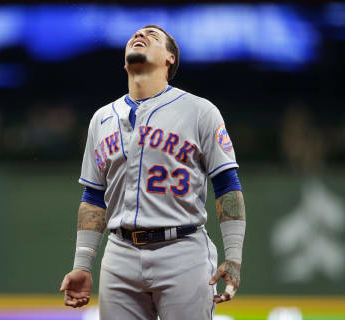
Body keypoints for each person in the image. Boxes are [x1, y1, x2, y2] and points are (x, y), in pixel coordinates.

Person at [60, 25, 246, 320]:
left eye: (152, 36)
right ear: (124, 63)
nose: (140, 35)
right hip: (119, 253)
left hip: (182, 250)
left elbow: (227, 184)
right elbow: (94, 196)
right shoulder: (102, 119)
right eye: (134, 35)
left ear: (170, 59)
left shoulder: (199, 111)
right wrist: (82, 264)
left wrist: (233, 257)